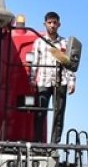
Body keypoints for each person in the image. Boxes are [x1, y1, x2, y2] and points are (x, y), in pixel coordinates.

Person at [32, 11, 76, 143]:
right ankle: (38, 144)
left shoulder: (65, 43)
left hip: (60, 81)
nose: (52, 25)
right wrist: (31, 80)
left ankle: (53, 145)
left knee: (59, 115)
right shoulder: (39, 42)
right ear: (45, 24)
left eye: (55, 23)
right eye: (49, 22)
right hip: (43, 82)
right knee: (40, 113)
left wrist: (71, 81)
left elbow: (69, 64)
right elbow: (34, 63)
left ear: (59, 25)